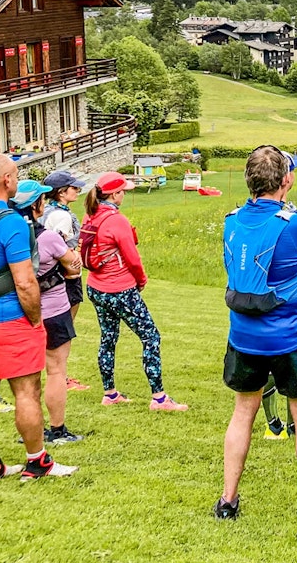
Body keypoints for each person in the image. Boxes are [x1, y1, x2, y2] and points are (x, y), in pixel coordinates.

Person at [215, 147, 297, 530]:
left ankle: (228, 501)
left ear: (249, 181)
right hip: (291, 337)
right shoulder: (295, 224)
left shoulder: (232, 221)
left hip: (243, 336)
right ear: (286, 180)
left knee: (243, 413)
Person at [0, 155, 75, 482]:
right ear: (7, 180)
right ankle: (37, 462)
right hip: (7, 319)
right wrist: (35, 319)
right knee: (26, 392)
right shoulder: (9, 221)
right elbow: (24, 281)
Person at [82, 171, 186, 411]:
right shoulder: (117, 220)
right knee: (151, 337)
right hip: (119, 288)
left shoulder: (91, 215)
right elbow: (132, 258)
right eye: (123, 192)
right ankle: (159, 398)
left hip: (96, 288)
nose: (124, 196)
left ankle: (109, 393)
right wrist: (140, 280)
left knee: (108, 338)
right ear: (114, 194)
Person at [12, 180, 85, 445]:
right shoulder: (48, 238)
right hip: (53, 309)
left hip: (20, 310)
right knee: (56, 370)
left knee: (28, 375)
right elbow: (74, 267)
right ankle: (57, 429)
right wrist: (67, 268)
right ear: (35, 205)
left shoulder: (10, 235)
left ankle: (31, 429)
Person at [41, 170, 89, 392]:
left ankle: (58, 373)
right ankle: (62, 376)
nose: (77, 191)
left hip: (50, 277)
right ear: (61, 192)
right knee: (64, 328)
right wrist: (73, 266)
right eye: (73, 188)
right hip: (66, 276)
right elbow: (60, 246)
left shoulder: (47, 211)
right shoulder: (61, 216)